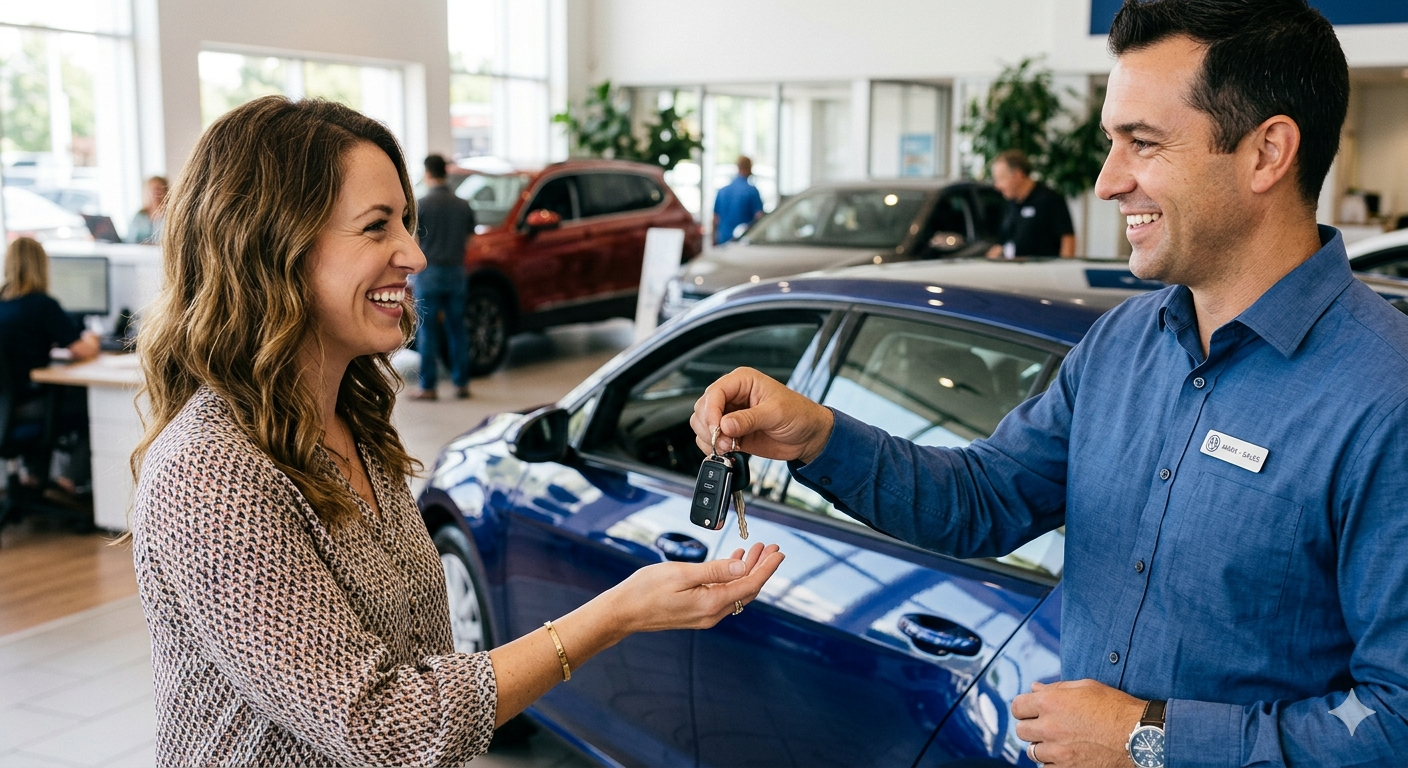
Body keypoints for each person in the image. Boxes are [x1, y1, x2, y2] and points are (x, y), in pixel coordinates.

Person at [692, 1, 1408, 766]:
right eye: (1111, 143)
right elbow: (983, 499)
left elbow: (1398, 724)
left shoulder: (1385, 394)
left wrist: (1146, 740)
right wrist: (821, 436)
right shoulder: (1125, 345)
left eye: (1144, 144)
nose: (1106, 182)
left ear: (1268, 153)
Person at [129, 96, 784, 767]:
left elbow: (421, 664)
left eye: (406, 223)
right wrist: (615, 614)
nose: (413, 253)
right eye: (377, 227)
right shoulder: (211, 472)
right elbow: (383, 727)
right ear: (274, 245)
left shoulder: (350, 421)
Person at [0, 237, 100, 491]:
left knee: (48, 396)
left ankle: (33, 478)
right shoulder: (42, 305)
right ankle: (69, 479)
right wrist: (93, 337)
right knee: (90, 406)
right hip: (23, 407)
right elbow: (82, 351)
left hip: (6, 408)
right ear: (40, 265)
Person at [410, 154, 475, 400]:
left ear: (428, 173)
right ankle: (461, 383)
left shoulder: (422, 204)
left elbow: (414, 240)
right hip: (456, 272)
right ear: (446, 172)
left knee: (427, 331)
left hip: (429, 273)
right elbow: (470, 237)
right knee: (457, 328)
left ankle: (428, 387)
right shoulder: (463, 204)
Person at [985, 149, 1076, 258]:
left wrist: (1063, 270)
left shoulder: (1049, 199)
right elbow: (1004, 242)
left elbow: (1067, 239)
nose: (997, 186)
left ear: (1018, 175)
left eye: (1001, 179)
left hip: (1041, 271)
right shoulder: (1011, 204)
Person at [713, 155, 765, 245]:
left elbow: (715, 218)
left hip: (723, 240)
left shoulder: (722, 191)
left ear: (738, 167)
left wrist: (713, 239)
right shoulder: (751, 191)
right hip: (743, 241)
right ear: (750, 168)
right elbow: (759, 216)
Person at [128, 176, 168, 245]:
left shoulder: (170, 215)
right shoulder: (139, 215)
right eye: (152, 190)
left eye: (158, 189)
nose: (155, 193)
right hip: (139, 254)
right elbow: (129, 239)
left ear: (166, 191)